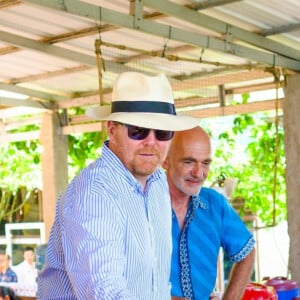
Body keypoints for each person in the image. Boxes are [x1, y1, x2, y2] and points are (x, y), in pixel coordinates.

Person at [38, 72, 200, 299]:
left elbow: (153, 285)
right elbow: (105, 293)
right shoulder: (94, 193)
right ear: (112, 130)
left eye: (163, 132)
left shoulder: (158, 184)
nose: (151, 142)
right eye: (138, 130)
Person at [163, 126, 256, 300]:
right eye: (188, 162)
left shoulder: (215, 204)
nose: (199, 173)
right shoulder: (143, 207)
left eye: (205, 163)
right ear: (165, 160)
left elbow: (247, 253)